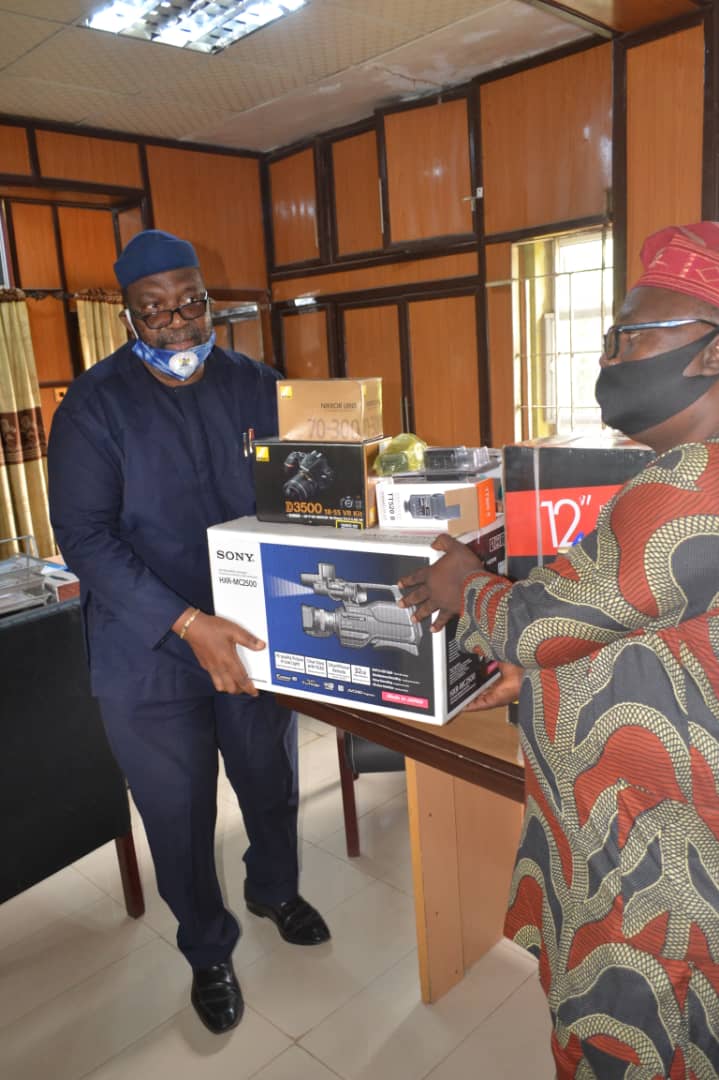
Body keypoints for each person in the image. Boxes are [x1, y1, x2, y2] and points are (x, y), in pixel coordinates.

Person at [399, 223, 719, 1078]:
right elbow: (645, 629)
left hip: (650, 853)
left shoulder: (693, 482)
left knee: (635, 1031)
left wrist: (461, 580)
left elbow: (537, 625)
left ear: (710, 354)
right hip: (658, 813)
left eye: (630, 336)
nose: (611, 356)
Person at [47, 229, 330, 1037]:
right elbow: (87, 539)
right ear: (128, 315)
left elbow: (303, 493)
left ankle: (273, 888)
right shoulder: (94, 407)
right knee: (176, 813)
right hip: (148, 650)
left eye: (190, 301)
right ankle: (207, 947)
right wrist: (184, 622)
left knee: (267, 780)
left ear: (209, 296)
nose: (176, 322)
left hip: (248, 633)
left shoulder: (258, 385)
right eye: (154, 309)